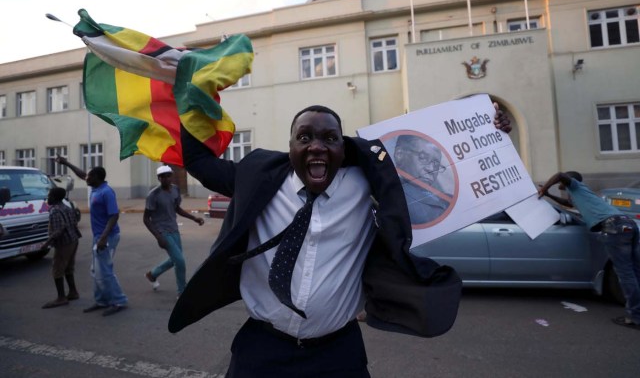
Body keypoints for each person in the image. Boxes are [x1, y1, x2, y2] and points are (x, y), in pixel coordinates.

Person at [169, 104, 511, 377]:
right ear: (290, 147)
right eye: (304, 138)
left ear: (342, 146)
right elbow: (199, 162)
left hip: (336, 354)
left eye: (329, 138)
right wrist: (189, 99)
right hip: (263, 349)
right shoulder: (257, 177)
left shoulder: (367, 184)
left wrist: (490, 132)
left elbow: (446, 170)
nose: (316, 146)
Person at [539, 171, 640, 330]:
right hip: (627, 225)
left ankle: (636, 317)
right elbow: (567, 204)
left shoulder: (577, 186)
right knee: (634, 271)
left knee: (626, 273)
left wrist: (544, 189)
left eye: (563, 182)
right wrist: (549, 196)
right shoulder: (578, 195)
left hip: (615, 228)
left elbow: (559, 175)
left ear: (569, 181)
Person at [55, 156, 128, 317]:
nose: (86, 177)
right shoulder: (95, 187)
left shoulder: (106, 192)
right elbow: (82, 174)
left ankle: (119, 300)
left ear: (97, 178)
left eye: (90, 176)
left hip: (107, 237)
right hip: (99, 237)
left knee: (105, 271)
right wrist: (66, 162)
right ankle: (101, 300)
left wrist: (103, 238)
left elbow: (114, 216)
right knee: (96, 270)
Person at [143, 165, 204, 296]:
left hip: (174, 229)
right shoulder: (153, 195)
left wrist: (194, 218)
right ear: (158, 178)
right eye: (162, 176)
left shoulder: (175, 190)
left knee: (174, 259)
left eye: (168, 175)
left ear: (171, 176)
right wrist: (158, 237)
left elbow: (177, 209)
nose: (166, 179)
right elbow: (146, 219)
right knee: (180, 261)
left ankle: (152, 274)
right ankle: (182, 292)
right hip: (162, 231)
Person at [393, 135, 452, 225]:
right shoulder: (396, 200)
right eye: (423, 157)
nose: (431, 168)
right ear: (399, 154)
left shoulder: (446, 198)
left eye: (436, 163)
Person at [41, 187, 81, 309]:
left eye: (49, 196)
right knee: (68, 267)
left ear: (55, 197)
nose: (47, 198)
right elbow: (74, 223)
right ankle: (73, 292)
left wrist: (46, 243)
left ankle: (61, 298)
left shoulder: (55, 211)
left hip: (64, 243)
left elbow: (59, 230)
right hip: (74, 240)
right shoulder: (68, 208)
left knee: (57, 269)